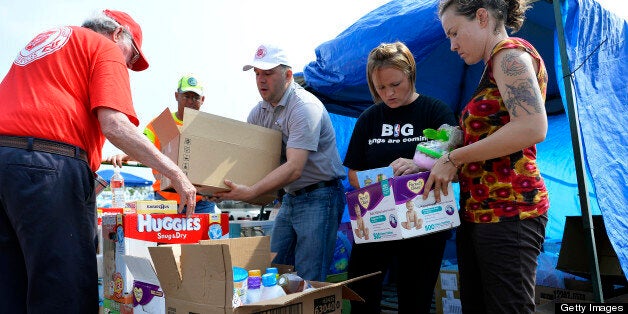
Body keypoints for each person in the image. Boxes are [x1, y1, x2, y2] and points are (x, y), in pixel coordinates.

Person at [0, 10, 197, 313]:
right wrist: (175, 172)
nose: (128, 66)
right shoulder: (103, 47)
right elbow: (115, 125)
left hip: (6, 163)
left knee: (13, 285)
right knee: (64, 287)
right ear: (118, 33)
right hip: (48, 167)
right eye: (131, 57)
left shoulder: (45, 42)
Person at [423, 0, 550, 312]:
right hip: (481, 212)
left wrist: (454, 159)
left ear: (481, 17)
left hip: (510, 211)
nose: (452, 46)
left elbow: (532, 126)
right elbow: (496, 134)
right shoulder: (492, 67)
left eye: (454, 33)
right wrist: (443, 148)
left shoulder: (509, 55)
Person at [213, 43, 346, 282]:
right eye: (257, 74)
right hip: (290, 198)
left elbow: (294, 168)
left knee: (309, 276)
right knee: (272, 267)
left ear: (287, 75)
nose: (261, 80)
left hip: (320, 196)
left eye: (268, 73)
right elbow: (250, 162)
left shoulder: (305, 107)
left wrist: (251, 191)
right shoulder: (258, 113)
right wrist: (219, 188)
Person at [343, 41, 458, 314]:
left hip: (424, 225)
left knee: (415, 298)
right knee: (361, 292)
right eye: (381, 88)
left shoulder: (434, 111)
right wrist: (386, 179)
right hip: (375, 222)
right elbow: (353, 173)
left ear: (410, 74)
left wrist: (419, 166)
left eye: (395, 84)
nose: (389, 93)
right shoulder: (369, 119)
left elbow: (452, 155)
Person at [104, 74, 216, 213]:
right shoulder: (162, 124)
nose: (191, 101)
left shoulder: (209, 127)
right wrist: (125, 155)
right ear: (176, 96)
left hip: (201, 201)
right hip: (166, 201)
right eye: (186, 96)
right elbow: (142, 148)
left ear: (202, 100)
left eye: (195, 97)